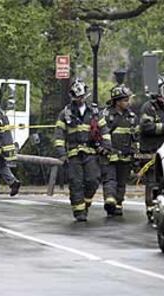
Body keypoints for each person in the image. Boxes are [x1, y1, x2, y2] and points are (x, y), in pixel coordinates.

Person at [54, 78, 111, 222]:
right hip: (73, 154)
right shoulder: (65, 113)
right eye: (76, 96)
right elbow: (59, 135)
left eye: (81, 96)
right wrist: (62, 154)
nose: (79, 99)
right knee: (76, 182)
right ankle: (79, 213)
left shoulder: (94, 112)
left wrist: (106, 147)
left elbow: (104, 130)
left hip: (91, 152)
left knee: (93, 179)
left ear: (85, 96)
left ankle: (85, 203)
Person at [139, 73, 164, 222]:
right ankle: (151, 211)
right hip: (151, 153)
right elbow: (146, 127)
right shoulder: (148, 108)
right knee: (152, 182)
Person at [101, 85, 139, 217]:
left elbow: (135, 137)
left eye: (128, 100)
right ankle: (110, 199)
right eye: (125, 100)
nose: (128, 103)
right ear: (117, 101)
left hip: (126, 156)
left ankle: (118, 204)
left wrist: (136, 154)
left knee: (122, 182)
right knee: (110, 179)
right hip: (110, 156)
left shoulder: (132, 117)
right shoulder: (107, 116)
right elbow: (100, 133)